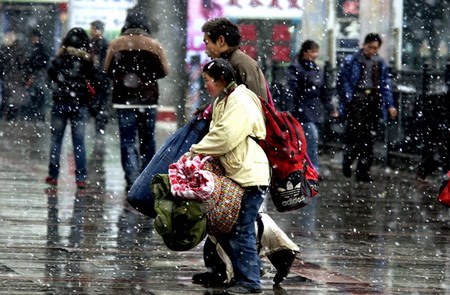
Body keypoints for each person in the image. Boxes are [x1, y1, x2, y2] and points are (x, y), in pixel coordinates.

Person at [186, 58, 269, 294]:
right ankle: (239, 275)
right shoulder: (225, 99)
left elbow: (225, 136)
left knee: (242, 229)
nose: (205, 86)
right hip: (239, 172)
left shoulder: (240, 101)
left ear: (222, 80)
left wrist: (196, 150)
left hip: (250, 174)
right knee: (233, 228)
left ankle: (250, 281)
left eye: (208, 81)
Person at [104, 10, 169, 191]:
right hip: (148, 100)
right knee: (148, 140)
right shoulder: (155, 45)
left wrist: (123, 79)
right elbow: (164, 71)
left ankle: (131, 180)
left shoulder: (115, 44)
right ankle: (146, 178)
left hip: (123, 100)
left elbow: (107, 69)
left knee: (127, 141)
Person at [336, 33, 397, 182]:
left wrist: (389, 104)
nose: (372, 51)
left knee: (369, 138)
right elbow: (342, 81)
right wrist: (349, 98)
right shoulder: (352, 60)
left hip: (373, 101)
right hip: (357, 100)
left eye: (375, 48)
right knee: (356, 134)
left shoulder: (379, 62)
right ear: (364, 45)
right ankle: (349, 160)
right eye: (370, 47)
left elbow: (385, 85)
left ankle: (363, 170)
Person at [45, 27, 99, 188]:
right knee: (79, 142)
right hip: (79, 105)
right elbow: (96, 81)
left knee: (56, 140)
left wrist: (58, 90)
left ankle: (53, 176)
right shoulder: (88, 62)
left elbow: (50, 78)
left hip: (60, 103)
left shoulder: (59, 59)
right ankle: (81, 178)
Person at [285, 40, 338, 174]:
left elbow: (324, 92)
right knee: (310, 140)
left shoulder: (317, 69)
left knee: (308, 141)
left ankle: (305, 168)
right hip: (302, 111)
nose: (315, 55)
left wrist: (330, 108)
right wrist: (289, 111)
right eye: (313, 51)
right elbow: (291, 92)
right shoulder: (296, 69)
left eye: (316, 52)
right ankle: (312, 168)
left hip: (313, 111)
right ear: (305, 52)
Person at [89, 20, 110, 138]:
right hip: (95, 80)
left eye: (93, 29)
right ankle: (98, 128)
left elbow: (103, 63)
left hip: (101, 81)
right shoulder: (92, 43)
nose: (92, 31)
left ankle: (100, 128)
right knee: (96, 106)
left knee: (100, 106)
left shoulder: (104, 44)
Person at [24, 29, 50, 121]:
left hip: (38, 74)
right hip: (36, 74)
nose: (33, 39)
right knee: (36, 95)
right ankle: (37, 115)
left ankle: (38, 115)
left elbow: (43, 62)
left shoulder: (40, 49)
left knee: (38, 94)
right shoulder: (34, 48)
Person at [0, 31, 26, 121]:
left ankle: (10, 115)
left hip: (13, 77)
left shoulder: (12, 50)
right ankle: (10, 115)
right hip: (10, 77)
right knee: (10, 97)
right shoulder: (9, 50)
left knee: (12, 98)